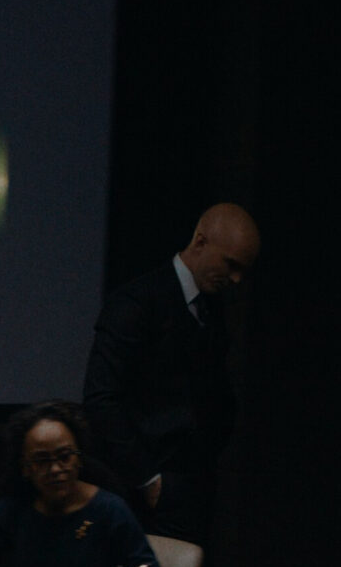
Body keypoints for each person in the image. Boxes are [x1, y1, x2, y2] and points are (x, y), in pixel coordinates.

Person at [81, 202, 258, 543]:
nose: (236, 279)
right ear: (200, 241)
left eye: (242, 270)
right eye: (231, 264)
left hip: (191, 488)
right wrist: (148, 480)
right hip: (138, 493)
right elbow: (101, 399)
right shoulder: (136, 302)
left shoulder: (211, 309)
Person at [0, 401, 162, 567]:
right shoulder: (15, 507)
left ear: (79, 458)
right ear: (26, 467)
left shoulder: (109, 508)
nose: (55, 469)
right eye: (42, 460)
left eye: (65, 457)